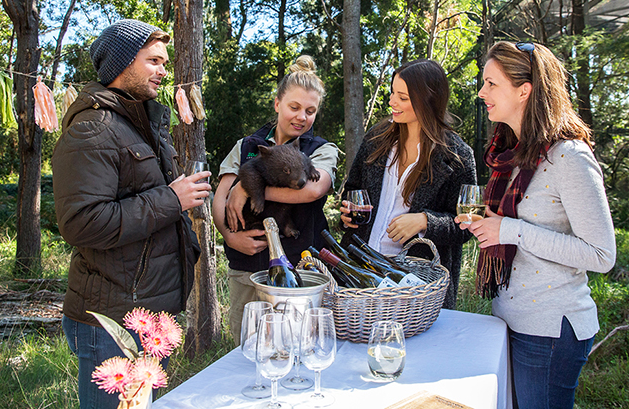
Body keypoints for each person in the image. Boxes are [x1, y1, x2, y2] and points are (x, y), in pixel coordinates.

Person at [52, 19, 210, 409]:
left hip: (150, 315)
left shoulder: (144, 124)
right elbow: (82, 222)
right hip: (111, 321)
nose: (162, 71)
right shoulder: (92, 128)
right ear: (123, 63)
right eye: (153, 61)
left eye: (164, 62)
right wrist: (171, 200)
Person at [459, 41, 616, 408]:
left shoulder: (569, 156)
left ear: (524, 89)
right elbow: (512, 226)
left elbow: (602, 254)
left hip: (549, 330)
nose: (482, 92)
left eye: (491, 83)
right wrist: (487, 226)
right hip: (509, 321)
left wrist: (509, 230)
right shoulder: (512, 154)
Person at [212, 55, 339, 345]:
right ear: (277, 103)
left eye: (310, 111)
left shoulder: (321, 150)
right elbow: (220, 197)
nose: (301, 117)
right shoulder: (247, 146)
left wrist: (249, 189)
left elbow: (311, 191)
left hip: (300, 271)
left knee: (300, 345)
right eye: (294, 107)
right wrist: (229, 237)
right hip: (246, 265)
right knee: (248, 348)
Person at [340, 59, 476, 308]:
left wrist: (425, 221)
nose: (392, 102)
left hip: (417, 283)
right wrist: (347, 214)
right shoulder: (375, 140)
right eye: (392, 93)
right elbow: (352, 190)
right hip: (358, 271)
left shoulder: (457, 156)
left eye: (402, 97)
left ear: (428, 100)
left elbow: (466, 227)